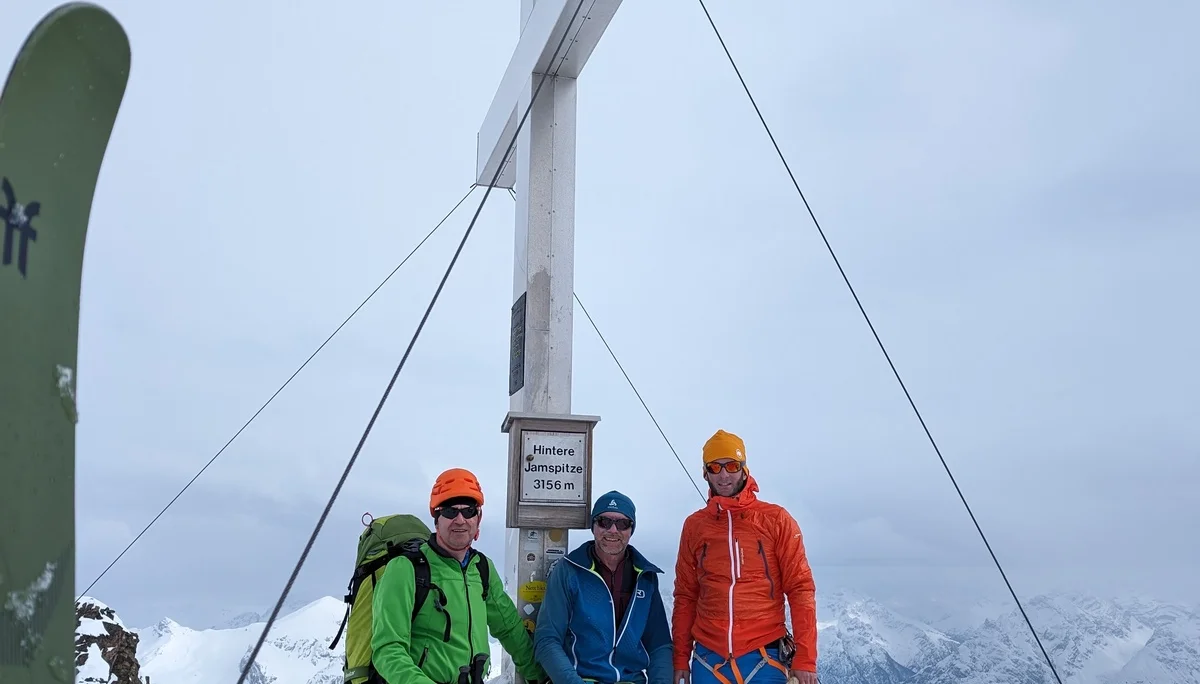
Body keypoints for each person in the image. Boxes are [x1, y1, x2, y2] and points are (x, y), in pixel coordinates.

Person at [370, 467, 547, 684]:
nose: (460, 519)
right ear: (436, 518)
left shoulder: (482, 568)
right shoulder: (406, 568)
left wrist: (539, 676)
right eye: (450, 511)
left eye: (469, 510)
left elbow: (510, 629)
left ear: (478, 518)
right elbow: (388, 650)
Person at [671, 430, 818, 684]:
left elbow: (800, 589)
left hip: (765, 654)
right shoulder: (695, 526)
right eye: (715, 467)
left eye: (731, 465)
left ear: (744, 469)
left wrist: (805, 659)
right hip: (709, 657)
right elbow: (686, 595)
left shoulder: (776, 520)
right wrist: (680, 659)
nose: (724, 474)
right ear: (705, 473)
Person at [534, 490, 673, 684]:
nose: (613, 530)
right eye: (604, 522)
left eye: (622, 523)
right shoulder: (569, 571)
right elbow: (547, 639)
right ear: (593, 526)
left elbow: (659, 645)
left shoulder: (645, 577)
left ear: (631, 530)